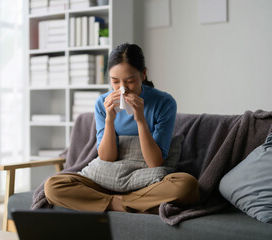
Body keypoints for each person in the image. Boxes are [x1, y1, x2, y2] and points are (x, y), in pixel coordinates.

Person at [44, 43, 199, 213]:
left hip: (146, 181)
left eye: (130, 81)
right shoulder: (102, 103)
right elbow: (107, 157)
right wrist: (110, 119)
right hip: (106, 179)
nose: (122, 89)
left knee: (187, 187)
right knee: (53, 186)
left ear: (143, 74)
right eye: (115, 82)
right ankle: (125, 204)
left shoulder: (164, 102)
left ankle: (110, 203)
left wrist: (140, 120)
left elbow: (154, 162)